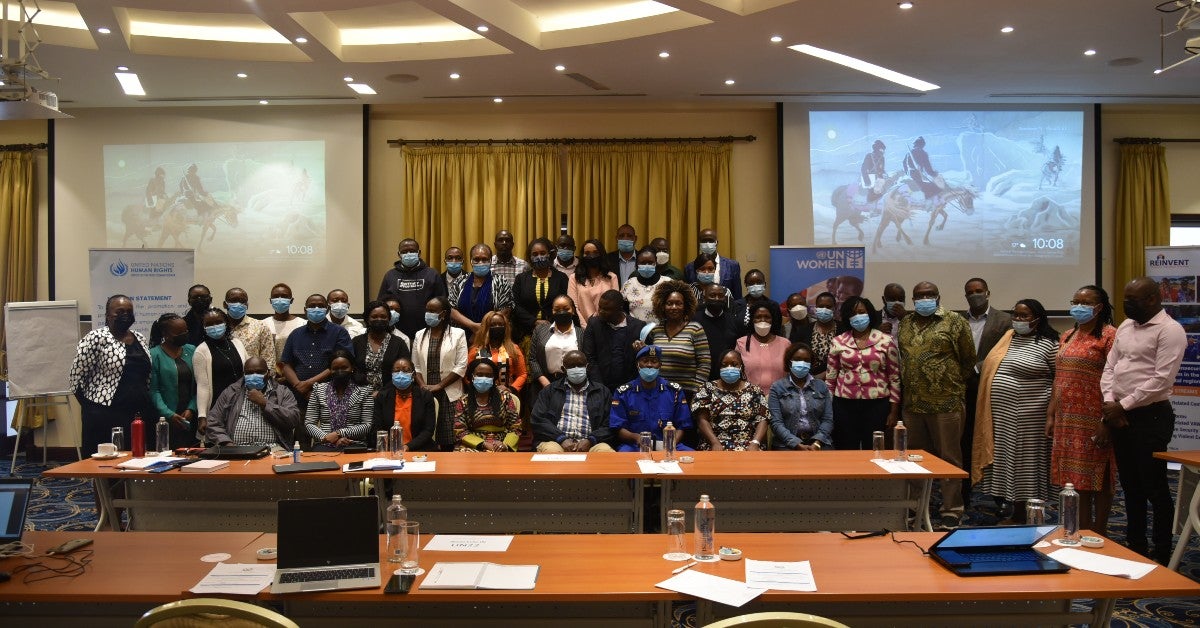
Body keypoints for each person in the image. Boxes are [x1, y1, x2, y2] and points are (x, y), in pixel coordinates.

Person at [1100, 276, 1186, 564]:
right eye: (1125, 298)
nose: (1126, 305)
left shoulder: (1170, 330)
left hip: (1151, 416)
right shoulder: (1126, 326)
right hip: (1120, 413)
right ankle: (1135, 546)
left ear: (1153, 299)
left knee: (1154, 486)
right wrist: (1111, 402)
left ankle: (1161, 552)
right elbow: (1111, 366)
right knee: (1130, 485)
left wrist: (1122, 406)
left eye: (1133, 300)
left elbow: (1161, 379)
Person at [897, 281, 976, 529]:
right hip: (913, 404)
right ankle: (916, 506)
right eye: (919, 295)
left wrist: (946, 382)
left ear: (938, 296)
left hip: (947, 402)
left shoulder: (955, 321)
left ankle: (951, 509)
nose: (925, 299)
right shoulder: (906, 323)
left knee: (949, 457)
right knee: (914, 458)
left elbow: (968, 359)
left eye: (930, 294)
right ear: (913, 299)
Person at [972, 299, 1059, 522]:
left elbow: (1059, 379)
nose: (1019, 320)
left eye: (1025, 316)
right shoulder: (1008, 338)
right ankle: (1014, 510)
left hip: (1031, 418)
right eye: (1016, 315)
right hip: (1002, 417)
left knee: (1025, 465)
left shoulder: (1049, 343)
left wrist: (1051, 412)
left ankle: (1025, 515)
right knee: (1006, 462)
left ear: (1037, 319)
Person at [1046, 285, 1118, 536]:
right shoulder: (1067, 335)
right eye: (1074, 300)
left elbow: (1116, 379)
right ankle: (1079, 528)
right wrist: (1051, 414)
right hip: (1067, 419)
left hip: (1094, 417)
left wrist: (1106, 420)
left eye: (1084, 302)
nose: (1077, 306)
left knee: (1098, 477)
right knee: (1075, 480)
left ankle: (1100, 531)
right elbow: (1059, 377)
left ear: (1098, 308)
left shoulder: (1110, 336)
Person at [70, 295, 153, 455]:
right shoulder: (96, 338)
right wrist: (90, 408)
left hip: (137, 411)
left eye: (129, 311)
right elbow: (76, 378)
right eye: (120, 311)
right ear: (108, 315)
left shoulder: (140, 338)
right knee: (105, 464)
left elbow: (146, 375)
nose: (126, 315)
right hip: (104, 414)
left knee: (135, 459)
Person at [961, 277, 1013, 506]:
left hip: (991, 389)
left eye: (979, 291)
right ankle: (963, 493)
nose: (975, 295)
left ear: (988, 292)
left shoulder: (1005, 320)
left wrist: (976, 367)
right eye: (970, 292)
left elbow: (1006, 351)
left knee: (994, 442)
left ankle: (999, 497)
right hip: (961, 390)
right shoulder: (957, 320)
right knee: (963, 442)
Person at [826, 297, 900, 451]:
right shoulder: (838, 342)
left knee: (874, 447)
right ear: (847, 317)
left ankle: (873, 475)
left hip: (877, 404)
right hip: (844, 404)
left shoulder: (885, 340)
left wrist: (893, 411)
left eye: (861, 312)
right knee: (846, 446)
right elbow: (831, 378)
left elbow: (894, 377)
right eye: (853, 314)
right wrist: (829, 408)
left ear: (869, 314)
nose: (858, 316)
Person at [609, 345, 694, 452]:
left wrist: (671, 444)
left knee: (691, 456)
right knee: (623, 457)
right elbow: (618, 428)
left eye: (654, 361)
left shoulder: (674, 391)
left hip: (668, 445)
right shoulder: (623, 393)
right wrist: (636, 437)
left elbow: (682, 426)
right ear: (637, 365)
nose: (649, 365)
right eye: (645, 361)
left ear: (660, 365)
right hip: (635, 446)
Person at [206, 357, 302, 449]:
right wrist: (227, 443)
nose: (254, 376)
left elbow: (293, 419)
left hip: (273, 448)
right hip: (237, 448)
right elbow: (213, 422)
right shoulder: (231, 392)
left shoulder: (282, 392)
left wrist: (264, 404)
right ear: (244, 374)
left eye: (259, 372)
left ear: (268, 373)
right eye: (249, 373)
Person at [411, 296, 468, 450]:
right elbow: (415, 366)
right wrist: (423, 386)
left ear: (443, 314)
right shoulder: (419, 334)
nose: (428, 314)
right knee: (428, 435)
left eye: (433, 311)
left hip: (449, 392)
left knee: (450, 437)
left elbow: (461, 365)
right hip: (425, 392)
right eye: (427, 310)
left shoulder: (458, 334)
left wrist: (439, 385)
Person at [531, 350, 615, 453]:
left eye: (580, 365)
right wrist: (561, 438)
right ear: (563, 369)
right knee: (551, 452)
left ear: (587, 367)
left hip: (592, 444)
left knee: (605, 452)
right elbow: (538, 420)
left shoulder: (602, 392)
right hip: (556, 442)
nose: (576, 369)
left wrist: (591, 439)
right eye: (571, 366)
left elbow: (611, 423)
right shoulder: (549, 391)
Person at [279, 293, 354, 407]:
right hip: (297, 395)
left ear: (327, 309)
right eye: (312, 306)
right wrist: (299, 386)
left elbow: (340, 365)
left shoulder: (339, 332)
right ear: (305, 310)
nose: (316, 308)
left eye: (320, 305)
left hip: (330, 393)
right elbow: (286, 365)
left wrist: (308, 384)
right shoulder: (295, 334)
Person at [644, 280, 710, 396]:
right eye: (669, 303)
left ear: (685, 306)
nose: (674, 307)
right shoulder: (656, 330)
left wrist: (696, 391)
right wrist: (642, 350)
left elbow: (704, 363)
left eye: (678, 303)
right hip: (660, 392)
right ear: (662, 306)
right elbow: (652, 359)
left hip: (687, 393)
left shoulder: (695, 329)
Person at [694, 350, 769, 451]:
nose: (729, 368)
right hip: (714, 444)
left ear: (741, 367)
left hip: (748, 445)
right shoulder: (706, 389)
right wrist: (714, 443)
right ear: (719, 368)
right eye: (724, 365)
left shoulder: (754, 391)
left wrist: (755, 443)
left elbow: (763, 419)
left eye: (734, 364)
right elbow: (702, 419)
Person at [193, 307, 248, 438]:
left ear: (226, 323)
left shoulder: (237, 343)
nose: (215, 326)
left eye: (218, 322)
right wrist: (202, 416)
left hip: (241, 403)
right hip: (217, 406)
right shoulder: (201, 351)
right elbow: (202, 386)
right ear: (204, 327)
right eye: (209, 324)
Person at [377, 238, 447, 339]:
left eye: (412, 251)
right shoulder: (390, 275)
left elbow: (442, 304)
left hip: (428, 332)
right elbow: (381, 304)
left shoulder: (432, 274)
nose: (408, 254)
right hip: (396, 334)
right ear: (399, 254)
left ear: (419, 253)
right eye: (404, 252)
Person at [768, 342, 833, 450]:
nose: (802, 363)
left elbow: (828, 420)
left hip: (819, 442)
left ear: (811, 363)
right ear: (789, 362)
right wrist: (796, 444)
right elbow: (776, 423)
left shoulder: (821, 386)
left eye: (806, 360)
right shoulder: (777, 387)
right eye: (797, 359)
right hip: (786, 444)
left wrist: (817, 443)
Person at [304, 350, 374, 449]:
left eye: (344, 368)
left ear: (352, 368)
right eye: (335, 368)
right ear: (330, 370)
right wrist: (325, 437)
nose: (339, 371)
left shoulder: (364, 391)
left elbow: (367, 425)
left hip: (353, 443)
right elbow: (309, 423)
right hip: (324, 443)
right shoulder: (318, 390)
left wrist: (339, 434)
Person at [148, 313, 198, 448]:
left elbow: (198, 385)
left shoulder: (192, 350)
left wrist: (192, 408)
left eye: (186, 331)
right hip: (165, 419)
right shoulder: (154, 354)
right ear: (166, 334)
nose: (184, 334)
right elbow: (153, 390)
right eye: (179, 332)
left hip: (189, 416)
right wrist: (168, 414)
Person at [582, 290, 648, 392]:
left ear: (620, 309)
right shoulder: (594, 324)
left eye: (607, 309)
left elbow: (644, 358)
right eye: (600, 307)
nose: (601, 311)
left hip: (631, 387)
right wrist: (599, 386)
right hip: (600, 386)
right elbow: (589, 357)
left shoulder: (638, 327)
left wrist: (640, 350)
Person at [452, 357, 521, 451]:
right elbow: (460, 430)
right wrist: (483, 444)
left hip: (501, 445)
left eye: (488, 375)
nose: (484, 378)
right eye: (479, 375)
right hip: (472, 446)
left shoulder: (505, 398)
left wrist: (504, 445)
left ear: (493, 378)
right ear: (472, 376)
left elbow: (515, 427)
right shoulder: (464, 401)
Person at [448, 243, 514, 339]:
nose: (480, 262)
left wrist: (482, 329)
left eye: (484, 259)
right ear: (471, 261)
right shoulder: (460, 281)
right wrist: (472, 326)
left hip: (492, 336)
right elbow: (451, 309)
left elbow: (506, 310)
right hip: (461, 337)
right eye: (476, 259)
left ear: (490, 261)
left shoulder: (500, 281)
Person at [370, 357, 436, 452]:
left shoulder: (425, 396)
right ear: (392, 375)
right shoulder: (382, 397)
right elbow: (377, 428)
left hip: (419, 449)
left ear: (413, 375)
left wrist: (408, 447)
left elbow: (428, 430)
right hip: (390, 450)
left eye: (405, 371)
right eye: (397, 371)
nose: (401, 374)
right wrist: (393, 447)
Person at [511, 237, 569, 342]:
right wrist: (534, 322)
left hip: (556, 332)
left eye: (543, 253)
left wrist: (550, 323)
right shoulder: (521, 279)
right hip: (525, 334)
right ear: (530, 257)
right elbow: (516, 305)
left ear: (549, 254)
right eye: (535, 254)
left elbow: (566, 304)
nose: (539, 257)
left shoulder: (561, 278)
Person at [352, 300, 412, 396]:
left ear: (389, 319)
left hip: (391, 395)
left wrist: (382, 393)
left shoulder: (399, 343)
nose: (379, 319)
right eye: (374, 316)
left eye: (383, 317)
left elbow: (404, 372)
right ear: (367, 319)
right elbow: (352, 369)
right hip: (360, 396)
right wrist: (365, 391)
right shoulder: (356, 342)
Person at [529, 295, 584, 393]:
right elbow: (533, 359)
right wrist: (544, 382)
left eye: (566, 309)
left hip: (574, 384)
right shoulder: (540, 330)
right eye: (557, 309)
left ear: (573, 311)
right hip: (543, 384)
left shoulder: (582, 334)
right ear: (552, 311)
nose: (561, 312)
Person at [735, 302, 791, 395]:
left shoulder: (785, 343)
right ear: (752, 320)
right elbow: (737, 374)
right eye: (758, 317)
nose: (762, 320)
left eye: (767, 317)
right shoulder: (742, 343)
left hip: (781, 397)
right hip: (750, 398)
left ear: (772, 320)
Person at [467, 310, 528, 395]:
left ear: (505, 327)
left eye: (500, 325)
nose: (497, 327)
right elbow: (466, 375)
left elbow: (522, 374)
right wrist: (475, 388)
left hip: (506, 394)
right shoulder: (475, 350)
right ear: (486, 328)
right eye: (493, 325)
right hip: (479, 395)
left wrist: (510, 389)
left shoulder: (514, 349)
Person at [695, 283, 743, 381]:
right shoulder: (694, 320)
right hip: (700, 377)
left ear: (725, 299)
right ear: (704, 298)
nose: (717, 299)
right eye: (712, 295)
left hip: (728, 376)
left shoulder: (734, 321)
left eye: (720, 296)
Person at [567, 239, 619, 326]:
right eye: (587, 253)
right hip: (582, 327)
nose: (591, 256)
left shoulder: (612, 277)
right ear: (582, 256)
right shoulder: (574, 278)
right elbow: (573, 307)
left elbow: (615, 305)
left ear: (601, 254)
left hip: (607, 327)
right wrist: (585, 327)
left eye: (595, 253)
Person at [223, 287, 275, 372]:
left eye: (242, 301)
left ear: (247, 305)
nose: (238, 304)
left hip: (253, 381)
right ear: (225, 304)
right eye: (233, 300)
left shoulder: (260, 326)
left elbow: (269, 361)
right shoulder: (218, 327)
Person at [684, 228, 742, 300]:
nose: (708, 244)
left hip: (725, 308)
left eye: (711, 241)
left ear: (716, 242)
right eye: (704, 241)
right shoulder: (689, 267)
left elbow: (737, 296)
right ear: (699, 243)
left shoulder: (732, 265)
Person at [620, 247, 668, 323]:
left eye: (650, 262)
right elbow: (623, 310)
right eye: (642, 263)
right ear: (637, 264)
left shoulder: (667, 283)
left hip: (661, 332)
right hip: (635, 331)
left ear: (656, 263)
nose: (647, 265)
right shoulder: (628, 284)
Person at [267, 283, 306, 370]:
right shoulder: (263, 324)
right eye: (276, 296)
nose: (280, 299)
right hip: (270, 374)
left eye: (284, 296)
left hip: (297, 373)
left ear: (291, 300)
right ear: (270, 300)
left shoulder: (303, 323)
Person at [733, 269, 778, 336]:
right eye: (751, 283)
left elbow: (777, 330)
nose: (755, 286)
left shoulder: (773, 306)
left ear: (764, 284)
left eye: (759, 282)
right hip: (742, 344)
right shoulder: (736, 305)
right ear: (746, 285)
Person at [808, 291, 838, 378]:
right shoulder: (804, 330)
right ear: (816, 308)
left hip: (834, 379)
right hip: (808, 380)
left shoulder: (843, 330)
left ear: (834, 308)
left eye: (828, 307)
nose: (824, 309)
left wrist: (825, 375)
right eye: (821, 306)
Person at [902, 136, 942, 200]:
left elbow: (904, 163)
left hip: (910, 176)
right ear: (922, 145)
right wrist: (934, 174)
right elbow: (928, 168)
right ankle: (929, 205)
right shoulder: (923, 153)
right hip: (918, 176)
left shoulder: (909, 153)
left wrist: (907, 172)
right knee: (935, 189)